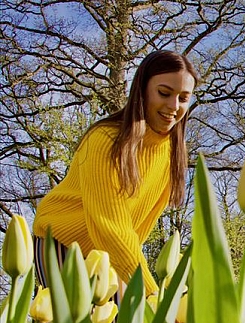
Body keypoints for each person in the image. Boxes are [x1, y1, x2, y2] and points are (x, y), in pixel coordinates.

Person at [32, 50, 198, 302]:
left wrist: (142, 288)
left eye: (183, 98)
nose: (174, 107)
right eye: (164, 93)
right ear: (141, 90)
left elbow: (134, 230)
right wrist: (151, 294)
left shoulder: (170, 155)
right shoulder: (105, 140)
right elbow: (108, 223)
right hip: (63, 242)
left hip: (112, 252)